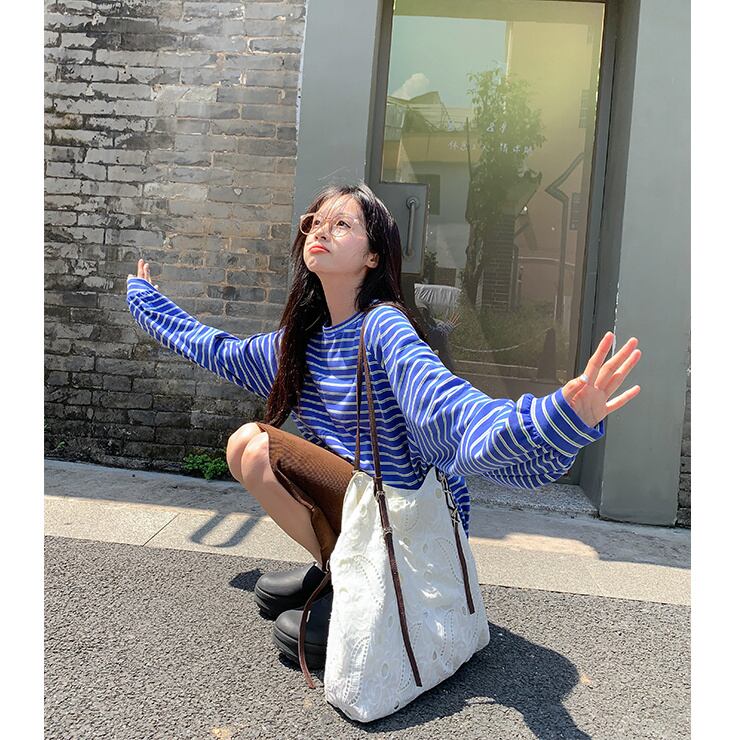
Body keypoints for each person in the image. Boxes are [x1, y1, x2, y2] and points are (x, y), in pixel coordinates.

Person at [126, 182, 642, 669]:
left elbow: (449, 407)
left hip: (404, 521)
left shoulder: (384, 326)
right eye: (315, 222)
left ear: (373, 255)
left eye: (342, 224)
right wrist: (148, 302)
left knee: (254, 446)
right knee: (244, 448)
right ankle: (338, 569)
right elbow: (220, 350)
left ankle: (372, 589)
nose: (321, 231)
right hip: (363, 507)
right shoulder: (301, 341)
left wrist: (557, 417)